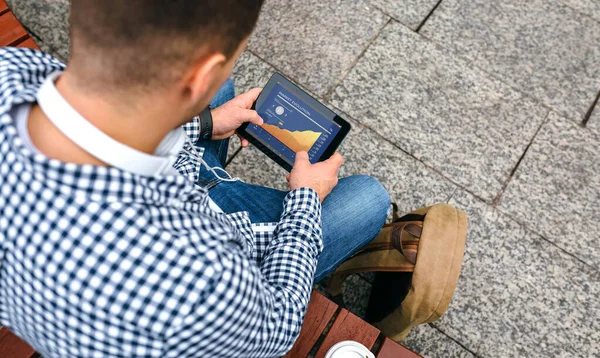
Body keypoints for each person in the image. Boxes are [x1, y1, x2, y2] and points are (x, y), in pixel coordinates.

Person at [0, 0, 390, 357]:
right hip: (215, 244)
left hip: (134, 208)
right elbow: (277, 325)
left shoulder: (10, 68)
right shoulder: (197, 280)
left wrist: (204, 122)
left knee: (220, 94)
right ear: (197, 73)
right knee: (369, 199)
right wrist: (305, 196)